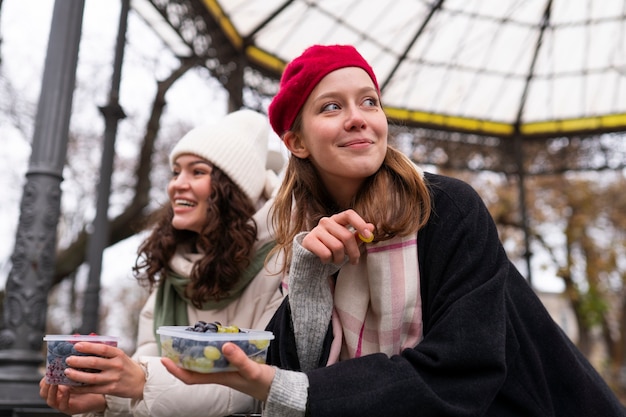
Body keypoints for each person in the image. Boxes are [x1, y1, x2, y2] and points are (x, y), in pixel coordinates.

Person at [162, 45, 626, 416]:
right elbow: (295, 367)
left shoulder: (447, 208)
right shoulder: (304, 243)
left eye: (369, 101)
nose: (359, 117)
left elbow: (464, 370)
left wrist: (285, 386)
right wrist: (307, 279)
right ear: (296, 142)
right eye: (331, 107)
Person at [40, 109, 287, 417]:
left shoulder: (280, 263)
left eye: (197, 172)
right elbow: (147, 358)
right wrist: (102, 398)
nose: (176, 185)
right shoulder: (172, 269)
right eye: (175, 172)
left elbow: (255, 387)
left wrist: (140, 381)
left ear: (232, 190)